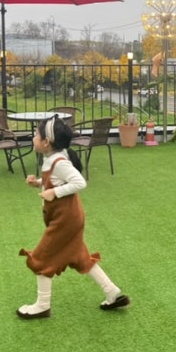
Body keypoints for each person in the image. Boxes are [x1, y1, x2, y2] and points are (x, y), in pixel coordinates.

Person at [16, 116, 130, 319]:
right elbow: (56, 180)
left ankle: (42, 306)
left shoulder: (59, 162)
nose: (33, 138)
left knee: (41, 258)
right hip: (69, 217)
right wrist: (39, 183)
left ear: (46, 142)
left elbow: (79, 182)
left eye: (36, 135)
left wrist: (54, 192)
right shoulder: (53, 157)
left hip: (65, 220)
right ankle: (112, 292)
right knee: (80, 256)